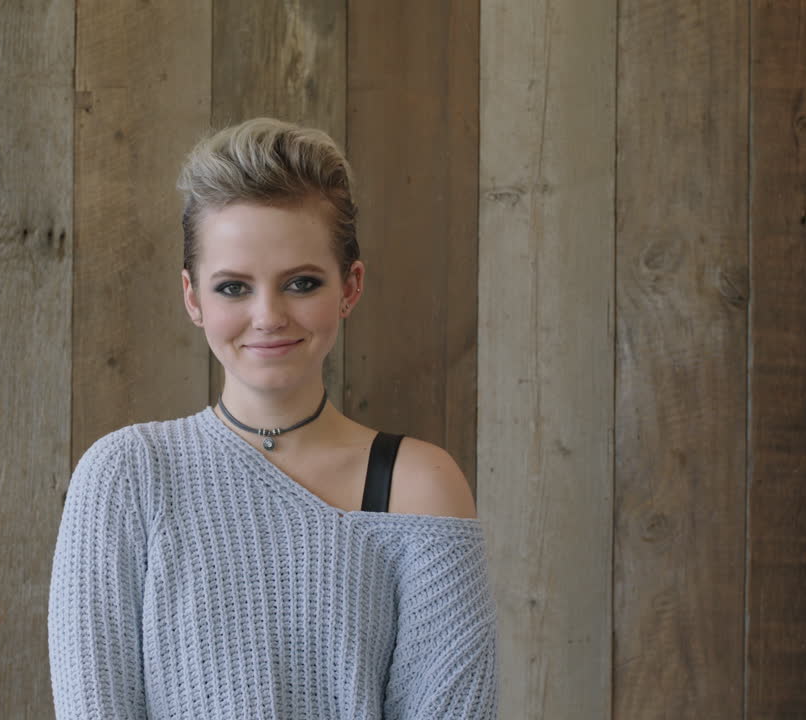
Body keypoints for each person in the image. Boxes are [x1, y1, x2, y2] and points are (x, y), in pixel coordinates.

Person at [48, 117, 499, 718]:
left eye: (301, 283)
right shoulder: (127, 475)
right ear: (192, 298)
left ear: (350, 286)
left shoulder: (420, 486)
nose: (268, 316)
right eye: (233, 287)